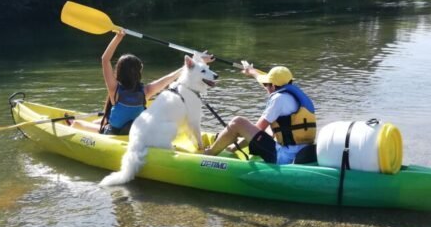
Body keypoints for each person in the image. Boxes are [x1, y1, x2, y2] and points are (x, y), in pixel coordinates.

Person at [72, 30, 213, 135]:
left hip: (115, 132)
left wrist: (118, 37)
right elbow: (173, 76)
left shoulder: (114, 89)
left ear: (119, 72)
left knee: (81, 123)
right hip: (126, 133)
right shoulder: (146, 91)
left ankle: (75, 126)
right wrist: (199, 61)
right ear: (138, 73)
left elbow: (105, 59)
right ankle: (88, 123)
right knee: (96, 122)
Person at [203, 63, 317, 164]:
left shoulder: (278, 99)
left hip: (284, 157)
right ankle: (231, 148)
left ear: (273, 86)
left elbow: (258, 129)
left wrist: (235, 138)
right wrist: (252, 71)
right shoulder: (296, 97)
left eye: (267, 85)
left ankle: (209, 153)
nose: (265, 88)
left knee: (237, 122)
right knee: (271, 129)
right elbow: (265, 82)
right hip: (301, 153)